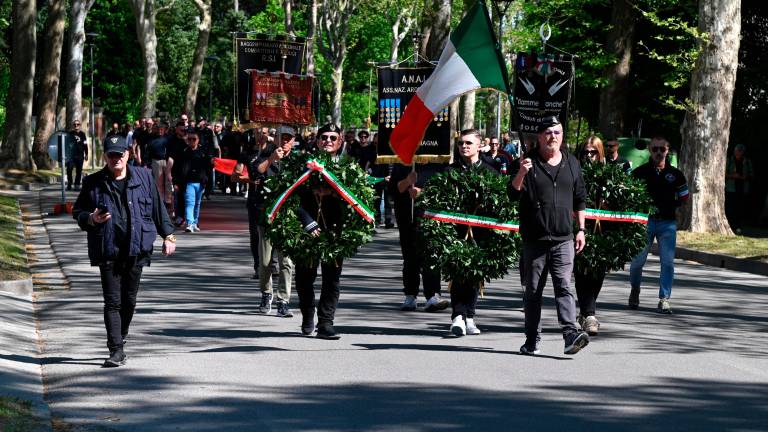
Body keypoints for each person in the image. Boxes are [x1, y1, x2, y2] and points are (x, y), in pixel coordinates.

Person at [72, 135, 176, 367]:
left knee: (129, 300)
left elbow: (158, 209)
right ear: (105, 156)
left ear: (128, 155)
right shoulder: (93, 182)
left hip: (136, 248)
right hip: (107, 248)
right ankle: (116, 349)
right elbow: (78, 211)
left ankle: (122, 333)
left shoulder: (143, 176)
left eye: (120, 154)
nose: (116, 159)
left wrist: (168, 235)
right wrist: (90, 218)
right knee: (113, 302)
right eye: (111, 155)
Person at [510, 116, 590, 355]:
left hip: (564, 238)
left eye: (557, 132)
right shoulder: (527, 162)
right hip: (535, 239)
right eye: (548, 132)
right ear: (539, 137)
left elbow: (580, 198)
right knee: (533, 291)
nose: (552, 137)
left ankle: (570, 334)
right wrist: (521, 173)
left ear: (562, 136)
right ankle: (532, 339)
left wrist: (582, 230)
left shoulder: (572, 163)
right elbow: (513, 194)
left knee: (564, 286)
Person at [294, 123, 351, 339]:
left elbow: (358, 202)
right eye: (324, 137)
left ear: (340, 141)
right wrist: (308, 222)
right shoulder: (304, 166)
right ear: (317, 141)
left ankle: (326, 323)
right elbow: (291, 199)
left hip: (334, 231)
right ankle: (308, 313)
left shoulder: (348, 169)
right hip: (307, 230)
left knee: (332, 279)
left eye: (333, 138)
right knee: (304, 278)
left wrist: (335, 195)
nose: (328, 141)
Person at [447, 129, 499, 336]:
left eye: (468, 143)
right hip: (455, 230)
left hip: (480, 231)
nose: (464, 147)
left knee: (475, 273)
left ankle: (469, 316)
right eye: (460, 143)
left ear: (480, 145)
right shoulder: (450, 171)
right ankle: (457, 316)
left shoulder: (490, 171)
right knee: (458, 271)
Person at [628, 136, 688, 314]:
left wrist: (673, 206)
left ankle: (664, 299)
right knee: (638, 262)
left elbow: (684, 196)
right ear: (649, 150)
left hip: (667, 223)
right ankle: (635, 290)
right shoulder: (639, 172)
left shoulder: (676, 174)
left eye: (662, 149)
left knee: (668, 263)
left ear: (668, 151)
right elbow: (629, 193)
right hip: (645, 221)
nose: (658, 153)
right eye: (655, 149)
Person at [391, 160, 447, 313]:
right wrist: (407, 181)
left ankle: (433, 295)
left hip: (430, 217)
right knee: (410, 256)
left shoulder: (438, 164)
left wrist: (423, 193)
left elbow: (444, 191)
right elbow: (394, 189)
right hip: (407, 216)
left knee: (431, 256)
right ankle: (410, 295)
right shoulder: (402, 163)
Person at [253, 126, 296, 317]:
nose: (285, 142)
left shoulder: (298, 161)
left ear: (294, 141)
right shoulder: (267, 155)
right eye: (282, 138)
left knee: (287, 261)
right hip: (267, 216)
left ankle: (283, 300)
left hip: (288, 219)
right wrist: (272, 159)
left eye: (289, 139)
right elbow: (257, 172)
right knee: (265, 261)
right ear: (276, 139)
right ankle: (266, 293)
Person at [574, 135, 607, 335]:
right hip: (579, 229)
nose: (589, 156)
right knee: (582, 272)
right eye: (585, 152)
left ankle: (586, 313)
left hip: (603, 231)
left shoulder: (609, 174)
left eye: (593, 152)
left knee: (598, 274)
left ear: (600, 153)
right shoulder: (576, 172)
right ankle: (590, 314)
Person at [233, 128, 273, 279]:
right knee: (256, 234)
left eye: (264, 132)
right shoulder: (247, 152)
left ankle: (272, 263)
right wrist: (248, 180)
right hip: (255, 198)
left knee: (273, 233)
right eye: (258, 132)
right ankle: (258, 266)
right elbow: (234, 176)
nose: (261, 135)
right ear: (253, 134)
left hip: (273, 197)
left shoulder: (273, 150)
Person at [176, 131, 211, 233]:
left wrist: (207, 183)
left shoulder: (203, 152)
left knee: (197, 203)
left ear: (198, 140)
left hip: (200, 182)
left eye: (194, 139)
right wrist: (176, 182)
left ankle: (195, 222)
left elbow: (208, 167)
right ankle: (190, 223)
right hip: (188, 182)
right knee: (189, 203)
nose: (191, 141)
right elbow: (177, 168)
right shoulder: (183, 152)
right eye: (189, 139)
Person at [724, 144, 753, 233]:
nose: (738, 154)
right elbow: (723, 174)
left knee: (740, 208)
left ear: (742, 153)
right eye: (737, 152)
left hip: (742, 188)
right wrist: (732, 176)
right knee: (730, 208)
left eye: (740, 152)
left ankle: (738, 226)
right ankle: (730, 225)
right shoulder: (729, 160)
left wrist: (746, 177)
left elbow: (752, 174)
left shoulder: (747, 161)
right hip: (731, 188)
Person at [67, 120, 88, 191]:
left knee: (79, 171)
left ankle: (77, 184)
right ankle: (70, 182)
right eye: (75, 124)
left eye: (78, 124)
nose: (76, 126)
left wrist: (86, 154)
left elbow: (85, 144)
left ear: (80, 125)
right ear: (73, 126)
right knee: (69, 169)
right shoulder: (70, 134)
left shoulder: (83, 134)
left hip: (80, 155)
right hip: (71, 155)